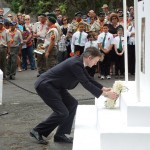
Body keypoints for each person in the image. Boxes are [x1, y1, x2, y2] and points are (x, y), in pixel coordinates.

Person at [30, 47, 118, 145]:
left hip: (55, 86)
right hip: (45, 85)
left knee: (72, 104)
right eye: (96, 61)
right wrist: (105, 95)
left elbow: (88, 79)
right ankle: (38, 131)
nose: (95, 64)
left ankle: (60, 135)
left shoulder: (79, 62)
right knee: (62, 112)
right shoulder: (75, 64)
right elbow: (85, 83)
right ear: (89, 58)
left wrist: (103, 88)